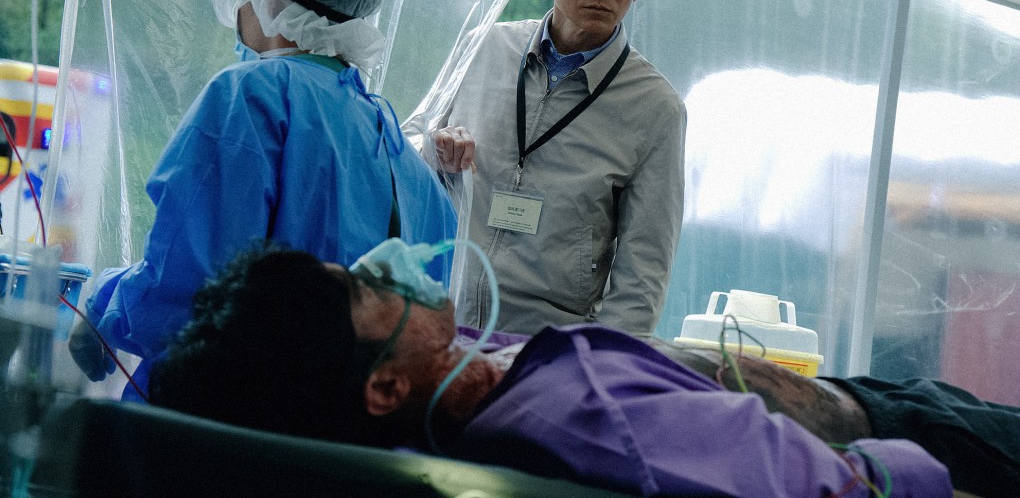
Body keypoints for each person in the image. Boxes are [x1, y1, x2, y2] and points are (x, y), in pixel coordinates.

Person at [150, 247, 1020, 498]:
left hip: (881, 407)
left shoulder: (453, 382)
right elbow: (847, 494)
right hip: (918, 438)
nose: (388, 263)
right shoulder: (587, 420)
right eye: (371, 285)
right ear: (381, 387)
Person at [68, 0, 457, 400]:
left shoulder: (252, 97)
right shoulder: (405, 159)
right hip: (345, 438)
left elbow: (194, 286)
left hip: (225, 419)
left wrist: (109, 304)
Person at [424, 0, 686, 336]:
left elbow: (642, 279)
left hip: (547, 354)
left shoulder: (655, 109)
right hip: (447, 328)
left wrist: (589, 374)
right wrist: (437, 152)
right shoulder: (485, 49)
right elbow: (411, 155)